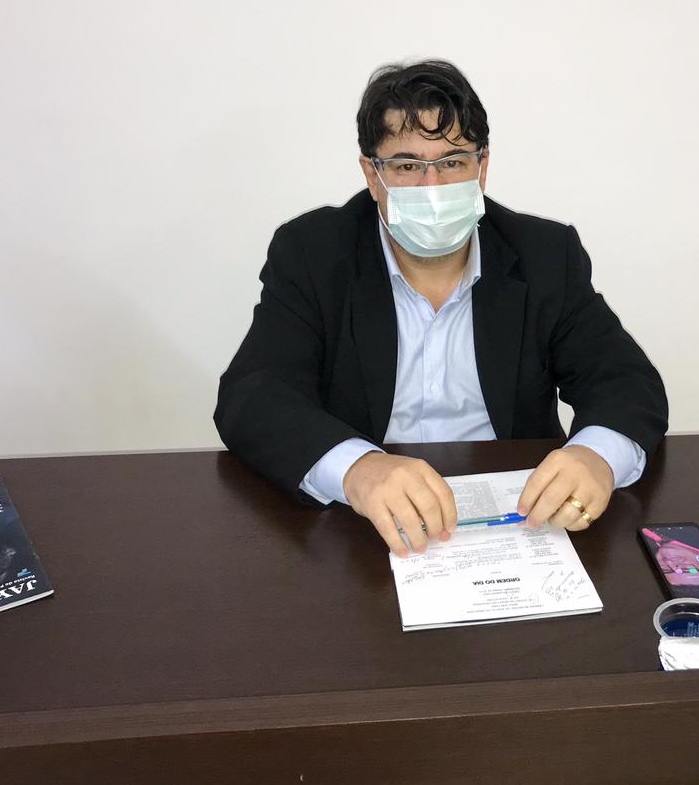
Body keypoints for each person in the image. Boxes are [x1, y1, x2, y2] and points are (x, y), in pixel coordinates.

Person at [215, 60, 667, 557]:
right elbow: (255, 394)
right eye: (407, 166)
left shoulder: (545, 254)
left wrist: (596, 456)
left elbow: (625, 380)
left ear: (482, 167)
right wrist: (357, 468)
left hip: (523, 519)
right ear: (372, 175)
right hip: (364, 529)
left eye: (452, 162)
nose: (432, 188)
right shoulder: (313, 253)